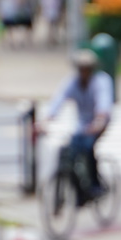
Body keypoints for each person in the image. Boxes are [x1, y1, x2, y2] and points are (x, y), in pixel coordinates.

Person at [42, 49, 114, 202]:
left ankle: (95, 185)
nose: (83, 72)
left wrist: (99, 121)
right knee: (69, 151)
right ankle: (79, 192)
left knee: (88, 148)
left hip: (98, 122)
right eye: (81, 69)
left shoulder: (101, 81)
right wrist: (46, 120)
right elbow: (59, 99)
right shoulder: (72, 82)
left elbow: (103, 102)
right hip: (81, 124)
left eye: (86, 69)